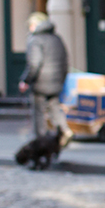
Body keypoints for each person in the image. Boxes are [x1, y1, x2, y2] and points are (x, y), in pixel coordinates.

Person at [19, 13, 71, 147]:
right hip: (56, 81)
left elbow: (34, 64)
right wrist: (62, 79)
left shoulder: (35, 40)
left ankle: (40, 141)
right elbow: (65, 61)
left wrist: (26, 80)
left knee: (39, 113)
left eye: (31, 25)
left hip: (41, 83)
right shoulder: (56, 38)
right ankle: (64, 130)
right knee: (54, 107)